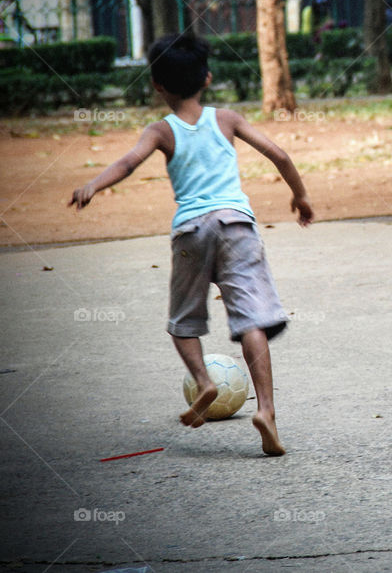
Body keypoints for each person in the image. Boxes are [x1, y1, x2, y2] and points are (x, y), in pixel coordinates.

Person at [68, 32, 313, 457]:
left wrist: (94, 184)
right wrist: (300, 195)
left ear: (157, 85)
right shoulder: (228, 119)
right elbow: (280, 156)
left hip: (190, 232)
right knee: (252, 321)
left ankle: (204, 381)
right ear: (208, 78)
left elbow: (128, 163)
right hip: (237, 225)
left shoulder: (161, 130)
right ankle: (267, 411)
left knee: (182, 322)